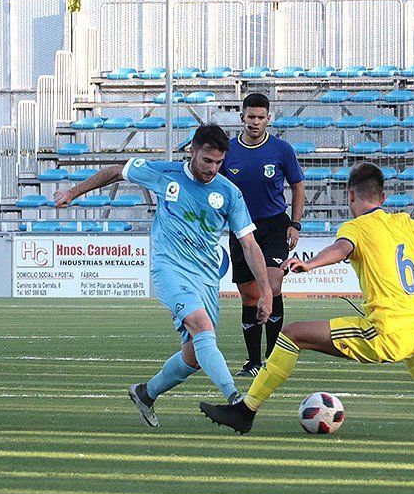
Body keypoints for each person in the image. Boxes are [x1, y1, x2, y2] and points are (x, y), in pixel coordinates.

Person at [198, 162, 414, 435]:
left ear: (351, 194)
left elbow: (341, 249)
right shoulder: (406, 223)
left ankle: (245, 411)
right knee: (411, 350)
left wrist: (309, 263)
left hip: (384, 333)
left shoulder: (356, 228)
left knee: (292, 334)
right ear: (383, 196)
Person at [53, 124, 272, 427]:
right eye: (207, 161)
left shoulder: (229, 193)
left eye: (219, 163)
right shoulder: (164, 174)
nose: (212, 169)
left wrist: (267, 292)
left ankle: (146, 393)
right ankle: (236, 400)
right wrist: (73, 192)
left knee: (194, 356)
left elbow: (249, 244)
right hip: (169, 269)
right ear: (192, 151)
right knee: (201, 324)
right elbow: (117, 170)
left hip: (206, 279)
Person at [221, 93, 305, 377]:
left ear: (269, 118)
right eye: (251, 117)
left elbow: (298, 186)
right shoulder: (228, 151)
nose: (255, 122)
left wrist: (295, 224)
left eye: (261, 117)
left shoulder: (282, 150)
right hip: (241, 227)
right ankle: (253, 361)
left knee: (273, 283)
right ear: (241, 117)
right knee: (249, 295)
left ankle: (273, 358)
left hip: (273, 226)